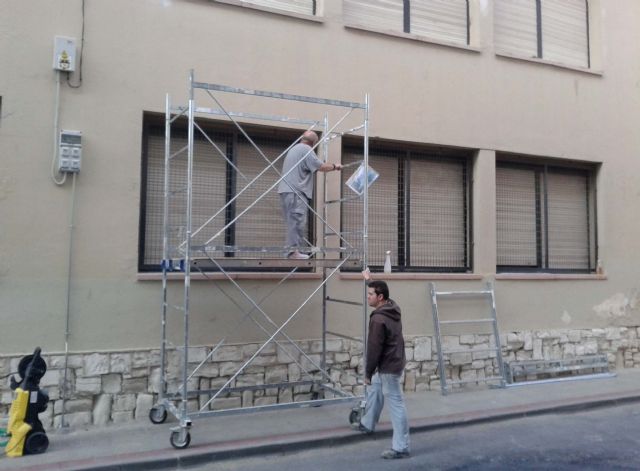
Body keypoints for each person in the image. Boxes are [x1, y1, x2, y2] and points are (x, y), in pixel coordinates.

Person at [353, 268, 410, 459]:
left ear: (380, 297)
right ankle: (367, 424)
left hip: (388, 366)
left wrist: (368, 373)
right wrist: (370, 279)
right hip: (395, 359)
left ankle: (401, 447)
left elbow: (374, 349)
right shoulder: (392, 307)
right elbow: (381, 289)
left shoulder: (378, 319)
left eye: (370, 294)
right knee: (375, 390)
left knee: (396, 404)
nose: (367, 297)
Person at [277, 131, 342, 259]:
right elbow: (320, 166)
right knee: (297, 222)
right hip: (296, 192)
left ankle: (292, 251)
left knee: (292, 222)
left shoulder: (294, 149)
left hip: (286, 191)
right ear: (313, 143)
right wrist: (335, 166)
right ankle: (292, 253)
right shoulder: (306, 149)